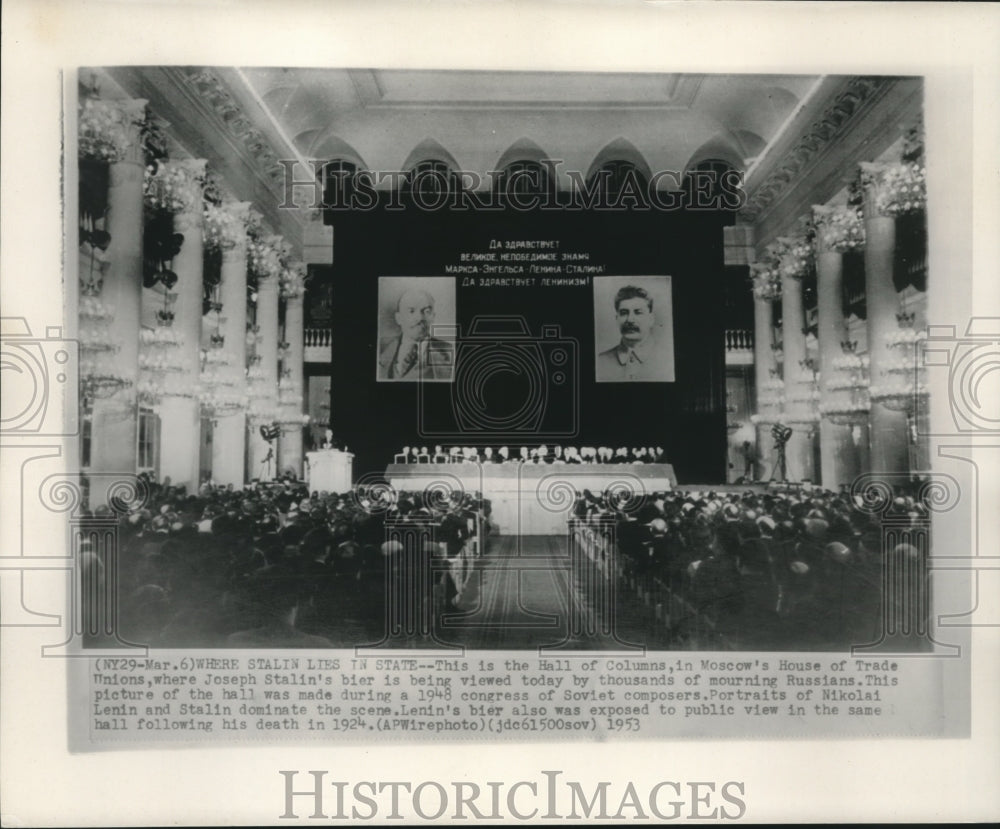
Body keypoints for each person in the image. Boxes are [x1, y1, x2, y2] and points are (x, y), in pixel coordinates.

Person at [378, 286, 454, 381]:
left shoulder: (450, 352)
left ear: (433, 317)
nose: (419, 318)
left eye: (426, 311)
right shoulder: (380, 347)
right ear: (399, 318)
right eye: (411, 311)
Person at [596, 284, 669, 382]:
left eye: (638, 312)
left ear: (651, 319)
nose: (630, 319)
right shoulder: (600, 362)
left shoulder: (667, 360)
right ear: (617, 319)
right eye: (624, 313)